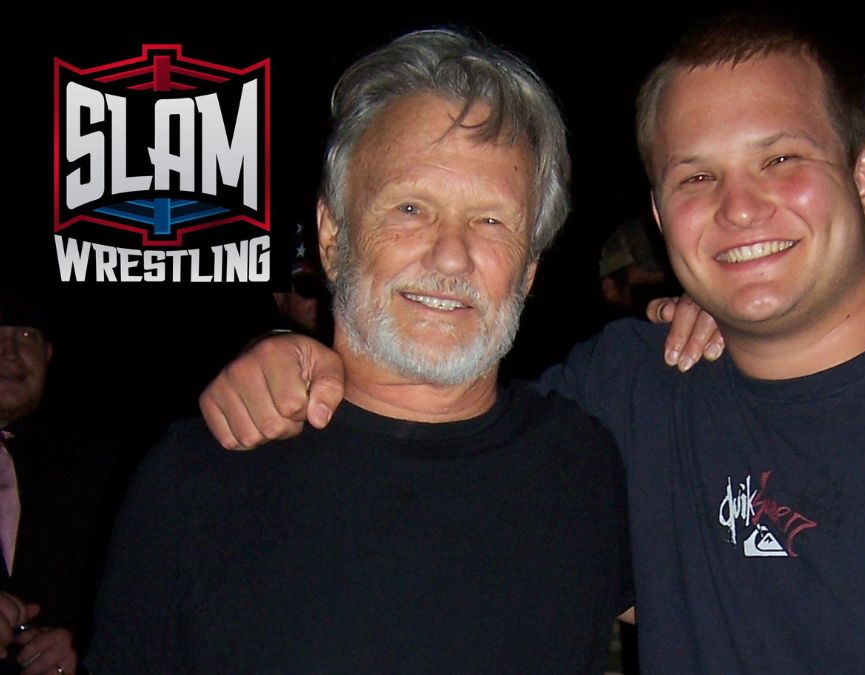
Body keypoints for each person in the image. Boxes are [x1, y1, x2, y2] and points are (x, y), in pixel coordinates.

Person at [198, 13, 865, 672]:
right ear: (661, 216)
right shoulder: (632, 390)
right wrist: (311, 367)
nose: (739, 206)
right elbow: (448, 448)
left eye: (782, 158)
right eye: (696, 176)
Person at [88, 29, 630, 673]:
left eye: (491, 220)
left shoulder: (584, 466)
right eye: (410, 207)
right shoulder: (198, 476)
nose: (451, 255)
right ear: (332, 235)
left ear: (531, 267)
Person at [1, 292, 115, 675]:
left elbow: (137, 597)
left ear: (48, 354)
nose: (10, 354)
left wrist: (81, 643)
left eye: (26, 337)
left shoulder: (97, 470)